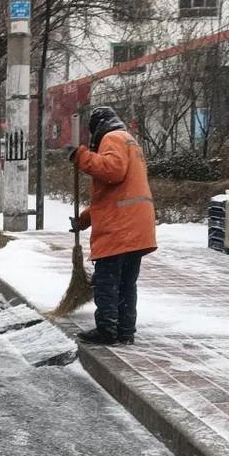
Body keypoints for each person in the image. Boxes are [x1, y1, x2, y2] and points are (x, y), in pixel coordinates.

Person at [69, 106, 157, 346]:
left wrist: (82, 157)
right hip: (136, 226)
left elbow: (112, 171)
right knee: (127, 281)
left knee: (107, 280)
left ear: (97, 127)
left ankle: (107, 329)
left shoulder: (112, 138)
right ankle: (125, 330)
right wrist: (84, 220)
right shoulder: (130, 141)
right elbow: (114, 195)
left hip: (121, 228)